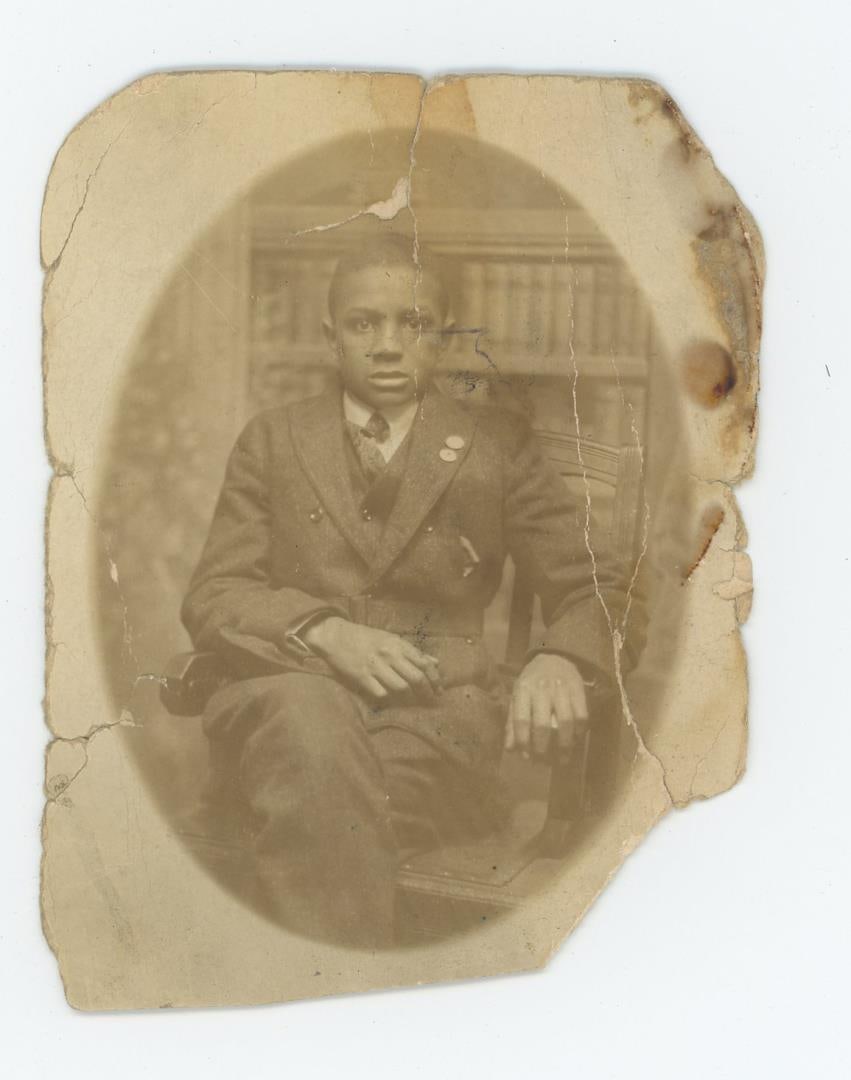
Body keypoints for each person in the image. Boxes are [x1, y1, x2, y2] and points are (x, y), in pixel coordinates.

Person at [182, 234, 635, 948]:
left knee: (311, 801)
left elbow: (594, 587)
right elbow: (216, 592)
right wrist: (325, 633)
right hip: (284, 690)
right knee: (306, 723)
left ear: (443, 337)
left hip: (433, 714)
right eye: (364, 324)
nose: (387, 345)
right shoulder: (271, 440)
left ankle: (307, 1005)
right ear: (330, 337)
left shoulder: (496, 445)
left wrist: (561, 660)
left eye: (412, 323)